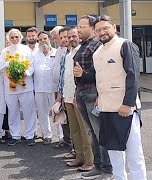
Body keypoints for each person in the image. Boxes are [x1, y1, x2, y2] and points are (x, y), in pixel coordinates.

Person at [93, 15, 146, 180]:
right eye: (98, 30)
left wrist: (127, 103)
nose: (102, 32)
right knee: (114, 152)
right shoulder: (97, 52)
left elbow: (133, 76)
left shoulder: (125, 45)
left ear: (114, 27)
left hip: (125, 109)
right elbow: (102, 78)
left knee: (134, 153)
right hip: (105, 109)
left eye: (105, 28)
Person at [73, 15, 112, 180]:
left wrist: (84, 75)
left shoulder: (97, 46)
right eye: (78, 26)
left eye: (82, 27)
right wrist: (77, 91)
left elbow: (102, 73)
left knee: (99, 132)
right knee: (91, 132)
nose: (78, 30)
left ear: (92, 28)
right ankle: (98, 166)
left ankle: (108, 170)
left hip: (92, 93)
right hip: (81, 93)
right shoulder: (83, 46)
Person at [62, 27, 94, 172]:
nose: (71, 39)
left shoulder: (82, 52)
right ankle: (79, 157)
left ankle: (90, 160)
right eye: (69, 37)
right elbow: (66, 77)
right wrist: (64, 96)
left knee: (84, 130)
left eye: (74, 36)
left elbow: (81, 76)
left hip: (78, 96)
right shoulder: (69, 54)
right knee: (74, 130)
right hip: (68, 96)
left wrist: (76, 94)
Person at [0, 28, 37, 146]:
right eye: (12, 37)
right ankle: (15, 135)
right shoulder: (5, 51)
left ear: (20, 38)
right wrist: (7, 64)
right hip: (10, 88)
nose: (14, 39)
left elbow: (32, 66)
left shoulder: (26, 50)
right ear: (8, 39)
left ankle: (29, 135)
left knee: (29, 112)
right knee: (13, 112)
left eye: (16, 37)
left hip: (26, 86)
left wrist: (26, 73)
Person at [32, 31, 57, 145]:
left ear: (49, 39)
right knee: (42, 113)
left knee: (57, 113)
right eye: (40, 39)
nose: (43, 41)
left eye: (45, 38)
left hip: (54, 88)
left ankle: (61, 136)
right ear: (38, 41)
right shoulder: (34, 55)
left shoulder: (56, 53)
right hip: (39, 88)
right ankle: (47, 135)